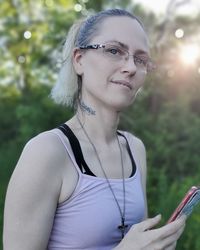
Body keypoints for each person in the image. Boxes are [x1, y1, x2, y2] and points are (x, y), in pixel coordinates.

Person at [3, 8, 186, 250]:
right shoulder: (46, 152)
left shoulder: (134, 148)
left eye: (140, 59)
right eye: (114, 51)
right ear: (79, 60)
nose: (130, 67)